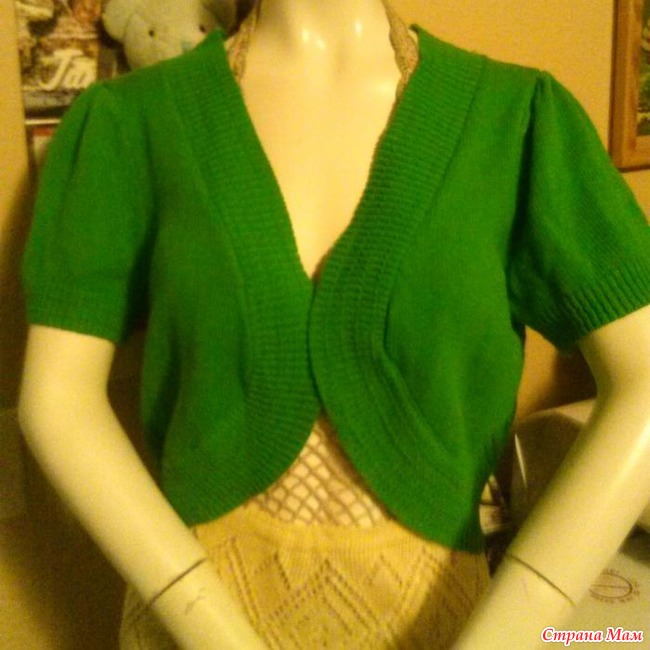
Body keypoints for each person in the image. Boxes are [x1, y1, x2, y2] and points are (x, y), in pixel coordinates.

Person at [18, 0, 650, 647]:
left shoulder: (515, 122)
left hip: (439, 624)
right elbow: (56, 402)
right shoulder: (132, 123)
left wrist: (508, 632)